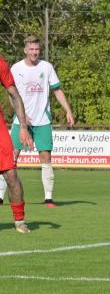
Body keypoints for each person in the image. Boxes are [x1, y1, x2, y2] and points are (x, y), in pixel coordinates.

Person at [0, 36, 75, 207]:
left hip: (42, 120)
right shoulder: (16, 68)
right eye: (31, 49)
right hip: (21, 121)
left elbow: (57, 90)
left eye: (37, 49)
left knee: (46, 157)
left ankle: (48, 198)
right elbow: (12, 95)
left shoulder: (46, 67)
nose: (34, 52)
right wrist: (21, 117)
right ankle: (0, 196)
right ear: (25, 50)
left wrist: (68, 110)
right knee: (10, 158)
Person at [0, 56, 34, 232]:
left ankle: (20, 220)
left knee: (11, 174)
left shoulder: (0, 63)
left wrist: (22, 126)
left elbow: (13, 93)